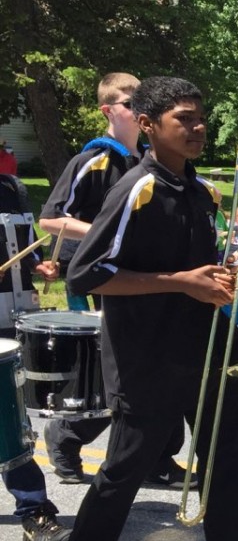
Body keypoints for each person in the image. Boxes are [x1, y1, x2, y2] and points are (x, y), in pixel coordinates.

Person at [42, 76, 238, 541]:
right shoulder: (137, 189)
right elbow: (88, 274)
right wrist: (180, 282)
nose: (198, 127)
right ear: (150, 126)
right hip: (147, 358)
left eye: (200, 117)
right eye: (184, 118)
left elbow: (197, 274)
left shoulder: (200, 192)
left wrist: (221, 277)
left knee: (224, 472)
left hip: (207, 353)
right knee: (125, 469)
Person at [37, 72, 192, 490]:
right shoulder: (94, 160)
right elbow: (50, 218)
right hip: (99, 278)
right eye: (128, 101)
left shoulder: (149, 159)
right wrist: (105, 229)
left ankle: (160, 456)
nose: (138, 105)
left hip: (141, 275)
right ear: (109, 111)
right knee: (119, 376)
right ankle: (68, 437)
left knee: (162, 367)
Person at [0, 173, 70, 541]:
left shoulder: (11, 188)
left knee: (12, 421)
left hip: (12, 317)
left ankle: (34, 512)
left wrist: (40, 268)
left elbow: (27, 250)